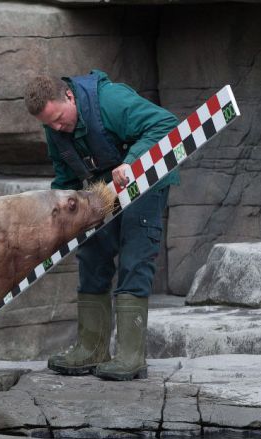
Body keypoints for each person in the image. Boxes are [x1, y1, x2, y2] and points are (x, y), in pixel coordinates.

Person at [24, 70, 179, 381]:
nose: (56, 127)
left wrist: (131, 160)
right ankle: (92, 348)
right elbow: (64, 175)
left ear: (68, 96)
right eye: (49, 124)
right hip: (101, 189)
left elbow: (166, 124)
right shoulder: (54, 127)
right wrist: (61, 214)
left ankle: (130, 356)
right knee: (91, 254)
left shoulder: (109, 100)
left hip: (143, 179)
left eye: (58, 118)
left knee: (135, 258)